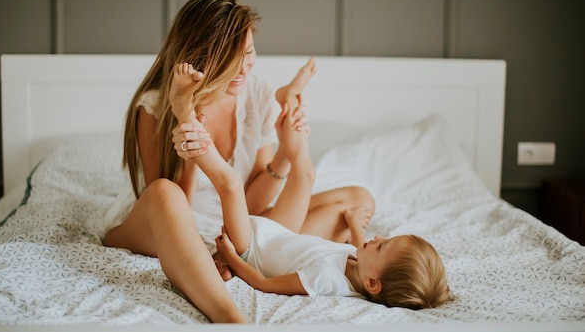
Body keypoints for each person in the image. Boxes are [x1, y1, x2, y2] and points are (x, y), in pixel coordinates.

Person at [102, 0, 373, 322]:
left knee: (357, 200)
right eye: (235, 57)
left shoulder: (255, 94)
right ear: (204, 58)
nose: (246, 66)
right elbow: (174, 208)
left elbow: (253, 204)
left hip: (233, 226)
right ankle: (231, 317)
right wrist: (190, 136)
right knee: (164, 194)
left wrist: (287, 154)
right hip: (169, 223)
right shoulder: (156, 105)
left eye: (250, 51)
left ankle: (231, 255)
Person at [170, 60, 453, 309]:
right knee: (305, 175)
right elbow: (357, 248)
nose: (377, 239)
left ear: (373, 284)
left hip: (250, 250)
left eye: (382, 247)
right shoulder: (362, 268)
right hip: (269, 232)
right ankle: (289, 101)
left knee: (230, 184)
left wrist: (233, 258)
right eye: (386, 239)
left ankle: (185, 114)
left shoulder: (326, 279)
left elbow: (264, 284)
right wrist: (356, 225)